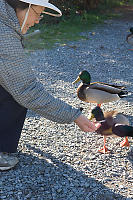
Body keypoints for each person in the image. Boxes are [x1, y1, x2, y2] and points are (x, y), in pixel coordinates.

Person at [0, 0, 98, 171]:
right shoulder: (4, 35)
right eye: (38, 13)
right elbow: (27, 90)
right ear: (23, 7)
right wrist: (74, 115)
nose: (38, 20)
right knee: (16, 94)